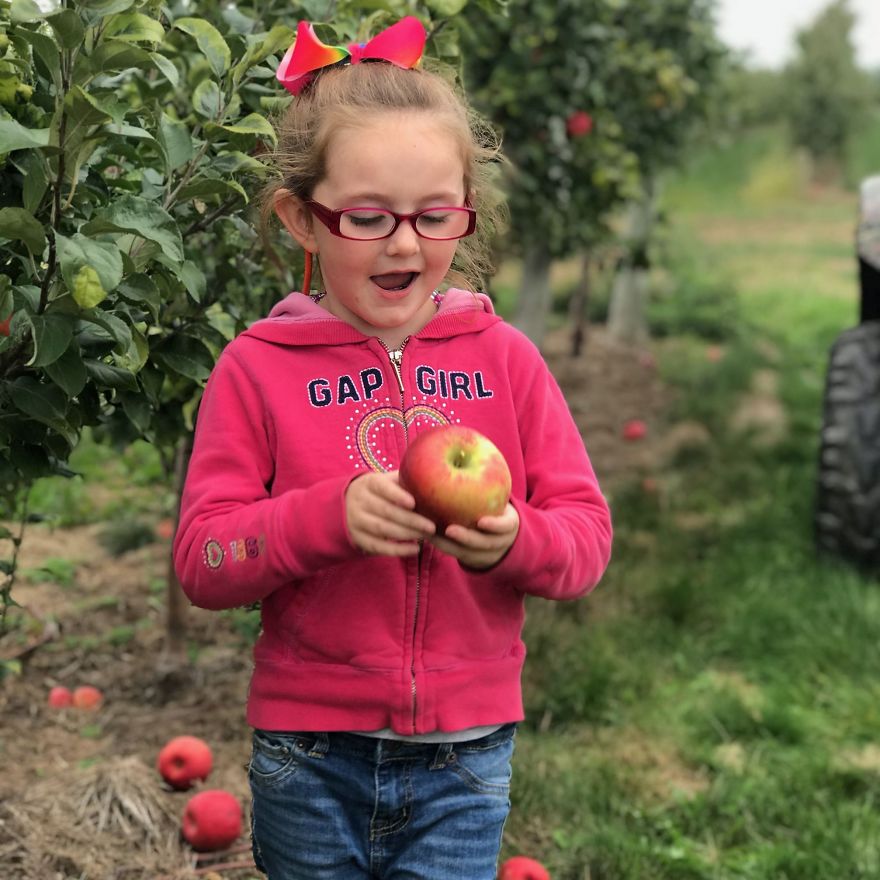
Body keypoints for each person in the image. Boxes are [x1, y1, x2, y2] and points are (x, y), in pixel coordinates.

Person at [173, 16, 612, 880]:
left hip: (465, 753)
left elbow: (587, 539)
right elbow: (205, 557)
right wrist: (321, 520)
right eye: (368, 216)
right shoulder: (256, 370)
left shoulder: (506, 361)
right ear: (303, 219)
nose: (407, 243)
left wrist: (514, 539)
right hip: (308, 752)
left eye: (435, 215)